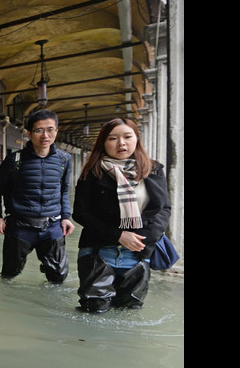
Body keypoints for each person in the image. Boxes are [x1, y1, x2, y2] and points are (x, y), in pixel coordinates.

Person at [72, 118, 170, 312]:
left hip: (138, 253)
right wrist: (118, 235)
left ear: (137, 139)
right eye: (112, 138)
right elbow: (81, 213)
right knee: (93, 311)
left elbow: (164, 209)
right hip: (97, 251)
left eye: (127, 136)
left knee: (129, 311)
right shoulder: (93, 171)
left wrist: (144, 241)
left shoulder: (153, 170)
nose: (121, 143)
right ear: (103, 143)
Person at [0, 109, 75, 283]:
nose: (45, 135)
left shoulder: (64, 159)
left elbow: (64, 190)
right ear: (29, 133)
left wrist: (66, 217)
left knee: (58, 277)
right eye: (39, 130)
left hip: (52, 227)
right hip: (20, 227)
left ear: (56, 131)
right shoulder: (15, 159)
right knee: (9, 275)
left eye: (50, 129)